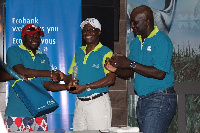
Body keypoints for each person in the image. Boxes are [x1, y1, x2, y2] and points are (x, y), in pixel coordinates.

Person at [105, 5, 177, 133]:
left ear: (147, 21)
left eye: (135, 22)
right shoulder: (135, 43)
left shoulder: (162, 40)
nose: (132, 25)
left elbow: (159, 73)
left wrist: (130, 63)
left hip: (160, 97)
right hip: (143, 99)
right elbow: (130, 72)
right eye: (131, 22)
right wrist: (116, 69)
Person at [4, 24, 69, 132]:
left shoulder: (43, 57)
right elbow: (21, 71)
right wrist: (50, 73)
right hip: (17, 113)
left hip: (39, 113)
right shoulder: (14, 51)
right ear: (23, 37)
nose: (35, 39)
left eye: (37, 36)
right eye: (31, 35)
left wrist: (66, 86)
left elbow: (46, 84)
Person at [63, 18, 116, 131]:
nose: (87, 33)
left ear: (99, 32)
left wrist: (86, 86)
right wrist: (66, 80)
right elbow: (71, 75)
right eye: (85, 30)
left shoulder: (106, 52)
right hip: (80, 103)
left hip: (97, 103)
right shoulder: (79, 52)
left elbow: (111, 79)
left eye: (92, 30)